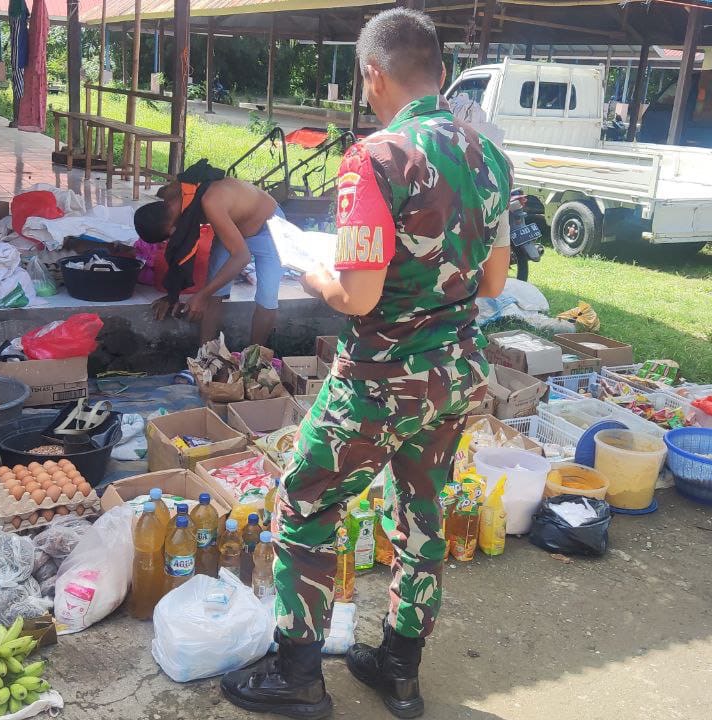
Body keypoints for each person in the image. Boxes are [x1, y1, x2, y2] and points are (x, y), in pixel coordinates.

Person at [220, 9, 512, 720]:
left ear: (374, 73)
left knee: (307, 503)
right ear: (438, 71)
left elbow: (358, 296)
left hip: (382, 379)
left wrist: (308, 266)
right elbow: (496, 282)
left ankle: (297, 672)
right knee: (423, 513)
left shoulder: (376, 159)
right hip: (454, 374)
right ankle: (399, 671)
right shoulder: (490, 155)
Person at [134, 163, 284, 348]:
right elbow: (180, 251)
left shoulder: (210, 202)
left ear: (172, 230)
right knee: (215, 291)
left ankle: (253, 360)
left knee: (266, 299)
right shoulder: (172, 196)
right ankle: (205, 357)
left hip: (269, 226)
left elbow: (241, 257)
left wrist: (201, 295)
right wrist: (172, 295)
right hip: (233, 226)